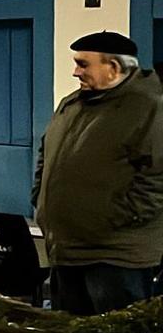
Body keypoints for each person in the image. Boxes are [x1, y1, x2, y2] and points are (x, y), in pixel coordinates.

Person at [35, 30, 163, 315]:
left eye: (83, 64)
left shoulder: (150, 107)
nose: (75, 72)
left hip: (115, 254)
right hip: (66, 247)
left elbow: (156, 180)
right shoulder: (72, 103)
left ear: (114, 67)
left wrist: (106, 220)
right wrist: (40, 200)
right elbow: (46, 152)